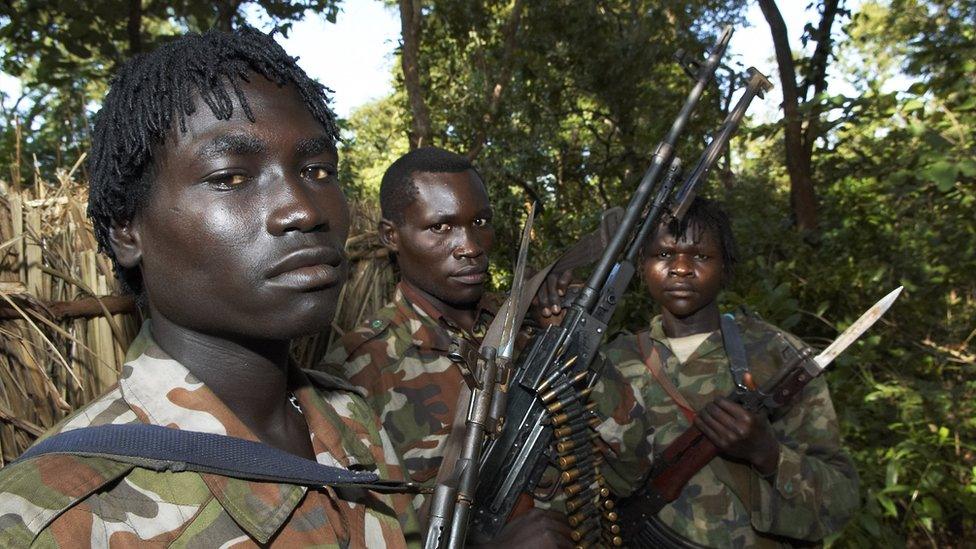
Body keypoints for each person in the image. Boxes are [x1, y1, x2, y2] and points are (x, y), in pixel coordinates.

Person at [0, 27, 419, 547]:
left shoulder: (355, 423)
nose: (304, 210)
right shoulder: (52, 518)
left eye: (316, 170)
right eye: (230, 178)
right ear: (128, 231)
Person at [323, 146, 571, 546]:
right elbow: (355, 531)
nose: (470, 245)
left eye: (481, 222)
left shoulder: (528, 330)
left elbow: (619, 467)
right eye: (441, 227)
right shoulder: (357, 371)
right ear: (392, 236)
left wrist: (563, 341)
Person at [588, 197, 860, 547]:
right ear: (641, 265)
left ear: (726, 268)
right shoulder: (612, 361)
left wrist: (767, 453)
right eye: (664, 254)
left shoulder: (777, 356)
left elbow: (841, 501)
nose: (681, 268)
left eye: (701, 256)